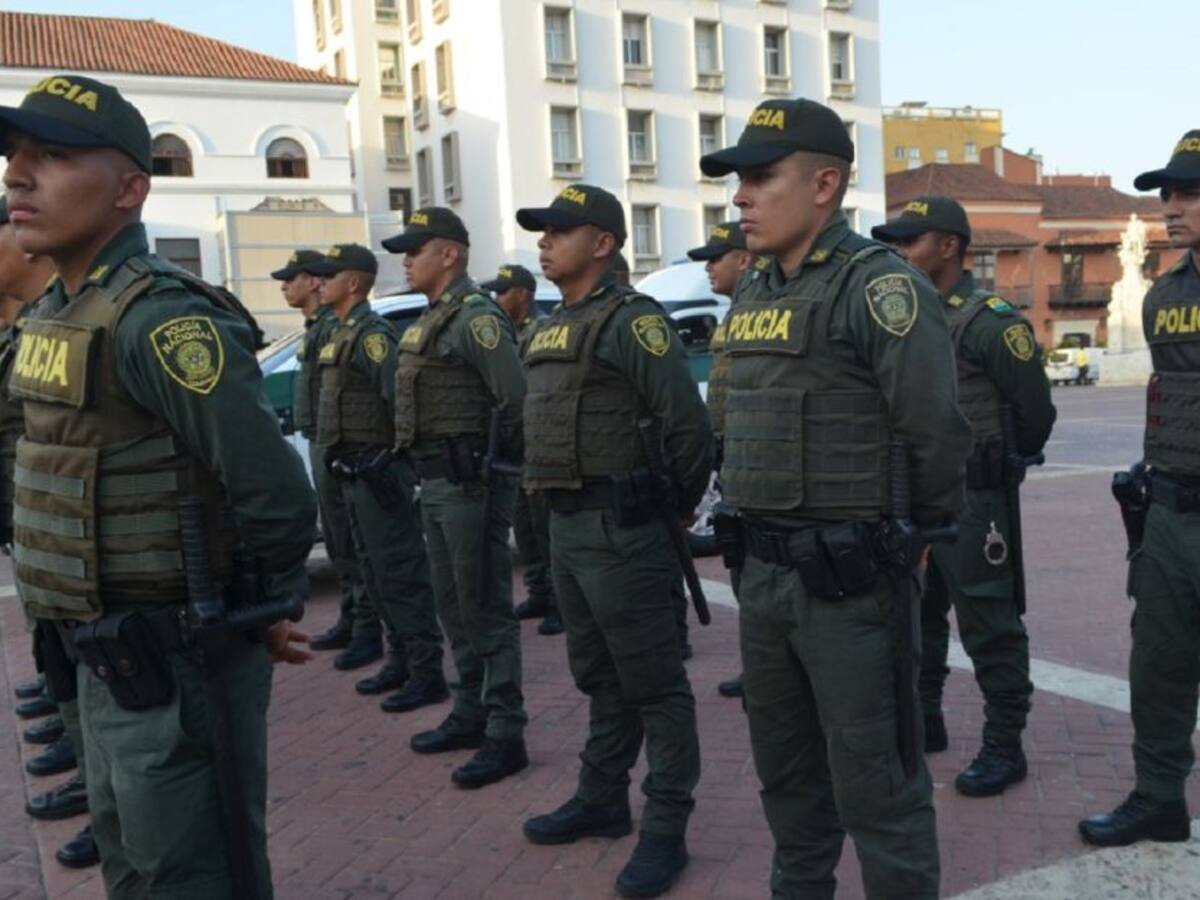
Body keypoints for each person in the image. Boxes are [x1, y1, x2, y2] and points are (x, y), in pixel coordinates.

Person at [0, 73, 316, 898]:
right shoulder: (57, 314)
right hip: (96, 652)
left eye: (54, 157)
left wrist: (263, 611)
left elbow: (274, 494)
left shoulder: (162, 320)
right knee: (131, 864)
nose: (16, 176)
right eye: (17, 155)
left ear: (130, 189)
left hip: (173, 657)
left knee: (192, 873)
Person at [700, 98, 971, 899]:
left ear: (824, 184)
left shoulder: (878, 286)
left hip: (849, 585)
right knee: (786, 779)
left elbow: (936, 432)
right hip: (766, 577)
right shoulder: (753, 293)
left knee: (876, 788)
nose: (740, 197)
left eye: (759, 178)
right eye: (738, 182)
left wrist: (909, 538)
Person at [516, 185, 712, 899]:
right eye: (541, 232)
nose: (544, 242)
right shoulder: (548, 325)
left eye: (558, 231)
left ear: (602, 243)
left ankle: (667, 828)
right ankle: (603, 798)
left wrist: (666, 511)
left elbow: (687, 430)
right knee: (599, 676)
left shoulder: (634, 321)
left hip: (623, 528)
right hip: (567, 527)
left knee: (655, 686)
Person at [873, 196, 1055, 796]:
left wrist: (1002, 462)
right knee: (919, 617)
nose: (897, 252)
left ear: (948, 247)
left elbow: (1033, 409)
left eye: (909, 241)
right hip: (917, 497)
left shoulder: (989, 321)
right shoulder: (905, 318)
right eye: (894, 243)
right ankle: (926, 721)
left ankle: (1005, 746)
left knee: (989, 624)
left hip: (977, 502)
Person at [1079, 130, 1200, 847]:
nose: (1170, 207)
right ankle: (1158, 797)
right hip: (1172, 514)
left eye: (1188, 192)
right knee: (1157, 666)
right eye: (1168, 194)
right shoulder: (1164, 296)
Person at [382, 208, 529, 788]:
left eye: (416, 249)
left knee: (484, 606)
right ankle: (470, 711)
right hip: (438, 483)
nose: (406, 259)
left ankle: (505, 731)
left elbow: (514, 400)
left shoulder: (476, 318)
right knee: (453, 604)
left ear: (449, 254)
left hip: (471, 485)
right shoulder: (432, 319)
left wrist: (498, 473)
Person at [0, 194, 97, 869]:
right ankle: (90, 771)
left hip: (86, 548)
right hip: (41, 532)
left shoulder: (84, 323)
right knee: (63, 659)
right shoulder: (38, 326)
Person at [310, 243, 448, 711]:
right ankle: (400, 658)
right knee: (372, 567)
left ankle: (426, 670)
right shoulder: (341, 333)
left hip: (376, 473)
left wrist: (393, 460)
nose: (319, 283)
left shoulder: (372, 336)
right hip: (351, 471)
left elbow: (401, 401)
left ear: (353, 283)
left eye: (329, 276)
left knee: (399, 571)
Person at [270, 249, 370, 656]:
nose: (283, 286)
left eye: (292, 277)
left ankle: (366, 627)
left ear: (313, 282)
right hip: (319, 439)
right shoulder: (315, 328)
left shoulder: (335, 327)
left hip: (338, 443)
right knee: (336, 540)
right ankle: (351, 618)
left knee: (351, 539)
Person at [684, 221, 755, 700]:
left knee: (757, 572)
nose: (709, 266)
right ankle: (760, 667)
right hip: (731, 460)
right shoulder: (735, 313)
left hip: (756, 463)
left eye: (717, 256)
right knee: (741, 570)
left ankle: (772, 672)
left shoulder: (762, 309)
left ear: (744, 259)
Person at [480, 262, 563, 637]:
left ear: (523, 294)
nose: (497, 299)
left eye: (503, 291)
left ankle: (561, 602)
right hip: (516, 445)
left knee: (546, 529)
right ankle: (540, 592)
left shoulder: (541, 331)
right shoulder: (507, 334)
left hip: (539, 443)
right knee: (525, 528)